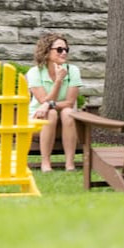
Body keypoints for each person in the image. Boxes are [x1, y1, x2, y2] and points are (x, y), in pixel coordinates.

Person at [26, 32, 82, 172]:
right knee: (50, 114)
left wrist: (48, 104)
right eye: (59, 49)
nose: (64, 53)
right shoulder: (35, 72)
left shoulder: (73, 70)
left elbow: (69, 102)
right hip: (39, 119)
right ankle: (45, 163)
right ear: (46, 51)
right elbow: (42, 100)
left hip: (65, 121)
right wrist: (58, 81)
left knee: (68, 112)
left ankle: (70, 164)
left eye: (66, 49)